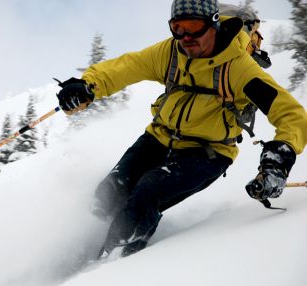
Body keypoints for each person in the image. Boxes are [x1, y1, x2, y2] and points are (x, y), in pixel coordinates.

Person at [56, 0, 307, 259]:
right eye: (177, 28)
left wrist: (278, 162)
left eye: (194, 27)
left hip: (206, 153)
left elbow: (291, 115)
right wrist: (87, 86)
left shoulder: (239, 68)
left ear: (214, 23)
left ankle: (107, 264)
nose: (185, 37)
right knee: (108, 193)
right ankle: (77, 252)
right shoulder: (172, 52)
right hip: (158, 138)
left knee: (147, 193)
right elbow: (125, 67)